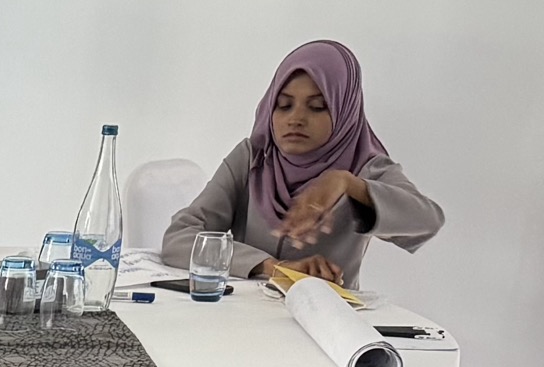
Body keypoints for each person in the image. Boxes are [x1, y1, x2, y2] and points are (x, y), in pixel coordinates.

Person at [163, 41, 441, 288]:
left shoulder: (365, 167)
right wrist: (272, 267)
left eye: (317, 106)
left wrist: (347, 184)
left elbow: (428, 221)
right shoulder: (253, 157)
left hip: (327, 319)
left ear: (345, 112)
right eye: (284, 105)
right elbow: (179, 238)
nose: (295, 119)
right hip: (244, 315)